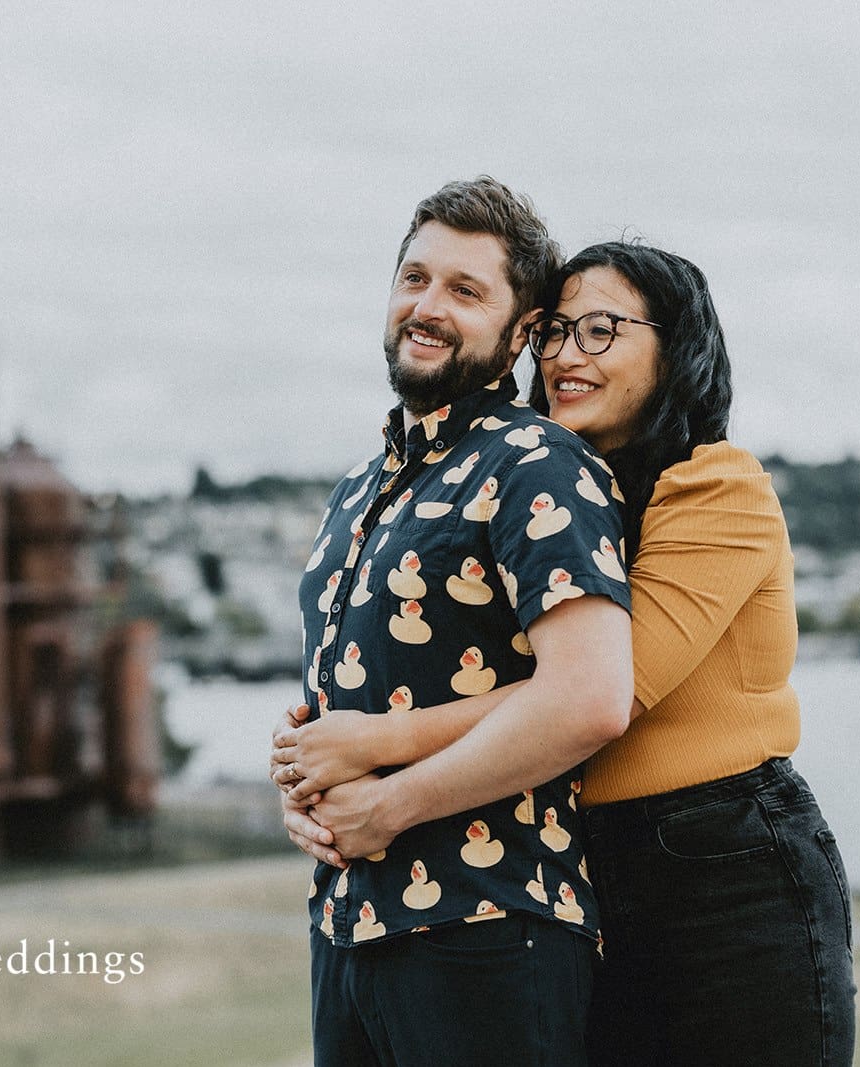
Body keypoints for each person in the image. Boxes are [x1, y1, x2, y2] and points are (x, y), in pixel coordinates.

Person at [276, 239, 857, 1065]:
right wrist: (313, 754)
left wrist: (372, 748)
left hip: (724, 866)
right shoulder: (562, 501)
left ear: (678, 348)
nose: (563, 356)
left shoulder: (718, 485)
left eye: (601, 330)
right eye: (552, 331)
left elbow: (606, 692)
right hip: (593, 868)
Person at [284, 176, 635, 1066]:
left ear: (521, 333)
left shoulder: (538, 463)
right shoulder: (357, 489)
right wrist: (310, 789)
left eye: (465, 290)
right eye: (415, 279)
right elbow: (350, 714)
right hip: (346, 930)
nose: (427, 307)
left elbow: (591, 698)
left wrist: (389, 803)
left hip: (488, 923)